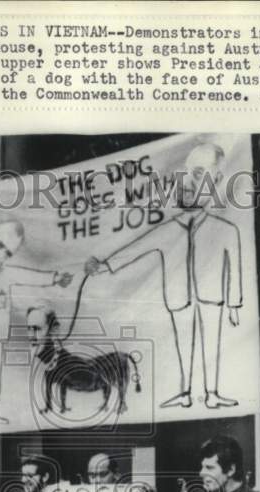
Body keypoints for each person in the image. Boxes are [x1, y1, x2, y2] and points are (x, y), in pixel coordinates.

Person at [85, 143, 247, 409]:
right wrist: (105, 265)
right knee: (184, 347)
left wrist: (234, 305)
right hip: (178, 298)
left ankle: (212, 393)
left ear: (215, 180)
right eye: (185, 173)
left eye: (197, 174)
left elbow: (236, 269)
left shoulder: (225, 229)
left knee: (213, 346)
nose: (185, 182)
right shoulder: (169, 229)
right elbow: (136, 248)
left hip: (212, 298)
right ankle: (184, 394)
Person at [0, 221, 73, 425]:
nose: (1, 256)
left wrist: (55, 277)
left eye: (8, 254)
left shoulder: (5, 273)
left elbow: (29, 275)